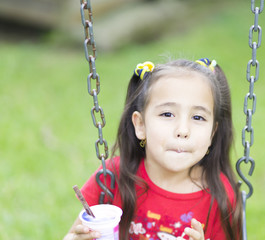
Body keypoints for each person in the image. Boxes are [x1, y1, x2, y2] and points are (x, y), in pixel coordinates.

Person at [64, 58, 242, 240]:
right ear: (140, 125)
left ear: (212, 133)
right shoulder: (112, 177)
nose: (183, 130)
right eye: (167, 114)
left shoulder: (221, 195)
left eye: (198, 117)